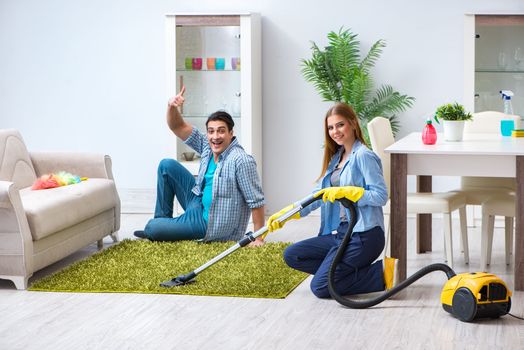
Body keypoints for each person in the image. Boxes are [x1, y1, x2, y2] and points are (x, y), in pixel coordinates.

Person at [267, 103, 398, 298]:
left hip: (364, 236)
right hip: (342, 233)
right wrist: (288, 213)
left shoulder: (364, 156)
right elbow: (319, 195)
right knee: (293, 255)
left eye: (340, 125)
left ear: (353, 123)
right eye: (330, 128)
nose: (335, 131)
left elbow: (381, 196)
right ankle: (337, 273)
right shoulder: (336, 158)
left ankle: (380, 273)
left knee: (319, 288)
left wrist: (352, 192)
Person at [134, 86, 265, 245]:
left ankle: (157, 229)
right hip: (197, 201)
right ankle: (163, 225)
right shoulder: (206, 145)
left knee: (152, 227)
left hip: (208, 223)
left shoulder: (241, 160)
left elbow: (256, 202)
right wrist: (172, 106)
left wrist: (258, 238)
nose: (215, 136)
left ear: (231, 133)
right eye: (211, 131)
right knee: (166, 166)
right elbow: (178, 126)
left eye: (221, 131)